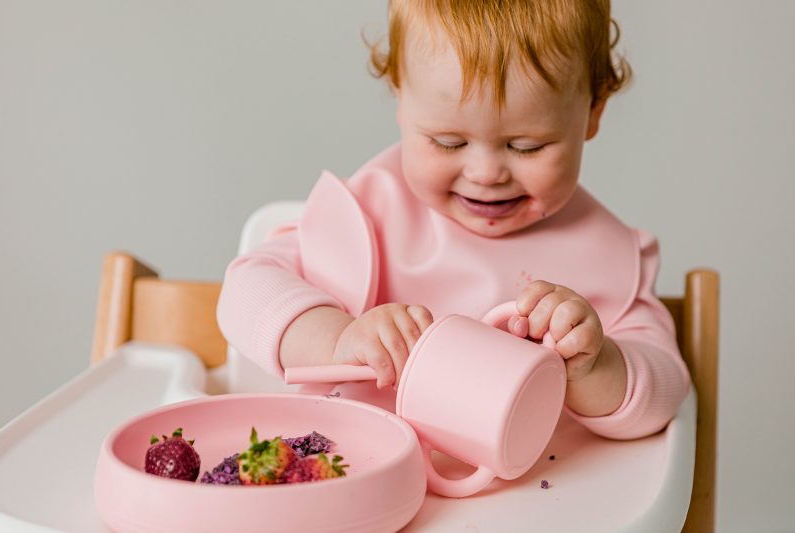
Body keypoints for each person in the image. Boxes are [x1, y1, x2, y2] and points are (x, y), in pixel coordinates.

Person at [217, 0, 690, 439]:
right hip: (349, 466)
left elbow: (667, 388)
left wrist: (596, 367)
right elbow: (246, 290)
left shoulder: (601, 252)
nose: (486, 174)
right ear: (401, 98)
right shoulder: (372, 210)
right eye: (449, 142)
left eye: (527, 146)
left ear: (593, 112)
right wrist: (336, 337)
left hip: (527, 497)